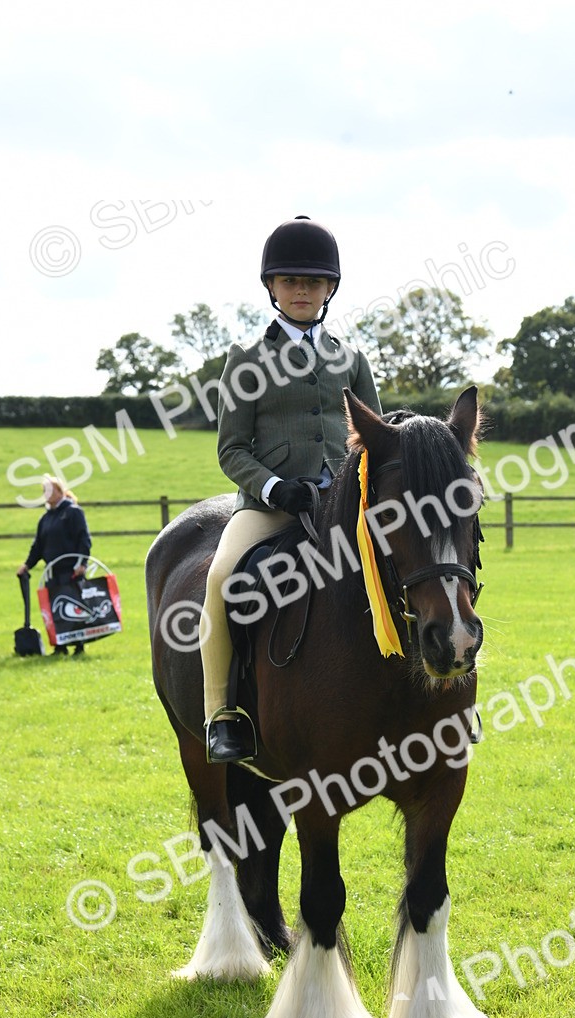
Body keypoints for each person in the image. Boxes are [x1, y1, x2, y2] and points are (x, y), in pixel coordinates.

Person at [200, 215, 382, 763]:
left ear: (329, 289)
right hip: (273, 508)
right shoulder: (247, 360)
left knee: (416, 560)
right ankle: (221, 714)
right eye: (289, 281)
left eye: (312, 282)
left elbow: (375, 435)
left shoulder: (351, 360)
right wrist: (277, 489)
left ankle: (440, 691)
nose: (301, 290)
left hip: (345, 503)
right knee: (221, 577)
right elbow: (231, 449)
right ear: (272, 288)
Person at [16, 476, 92, 656]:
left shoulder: (73, 512)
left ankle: (79, 645)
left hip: (71, 571)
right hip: (52, 572)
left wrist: (82, 563)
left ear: (59, 491)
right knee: (55, 609)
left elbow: (84, 539)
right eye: (44, 491)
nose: (46, 495)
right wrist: (27, 565)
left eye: (50, 490)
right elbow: (38, 547)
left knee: (73, 607)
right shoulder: (46, 518)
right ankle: (60, 646)